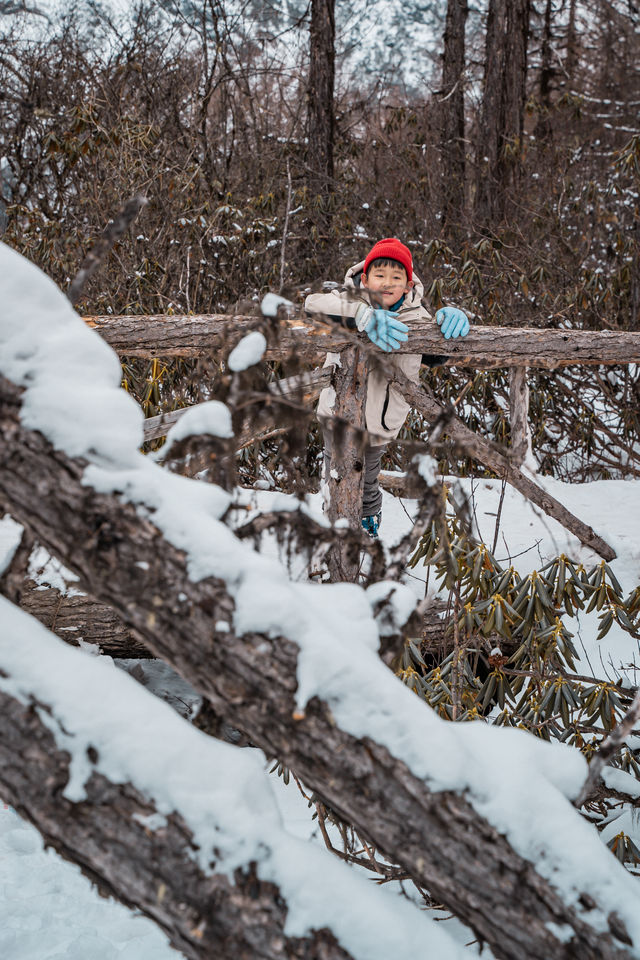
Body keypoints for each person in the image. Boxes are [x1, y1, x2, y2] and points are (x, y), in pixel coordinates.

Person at [304, 237, 470, 538]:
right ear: (364, 279)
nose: (387, 283)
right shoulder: (347, 300)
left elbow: (436, 357)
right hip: (337, 413)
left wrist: (446, 325)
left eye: (396, 277)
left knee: (367, 476)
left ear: (408, 286)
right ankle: (331, 525)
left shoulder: (416, 318)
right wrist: (360, 316)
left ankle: (367, 527)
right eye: (379, 275)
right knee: (334, 471)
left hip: (381, 421)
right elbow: (312, 304)